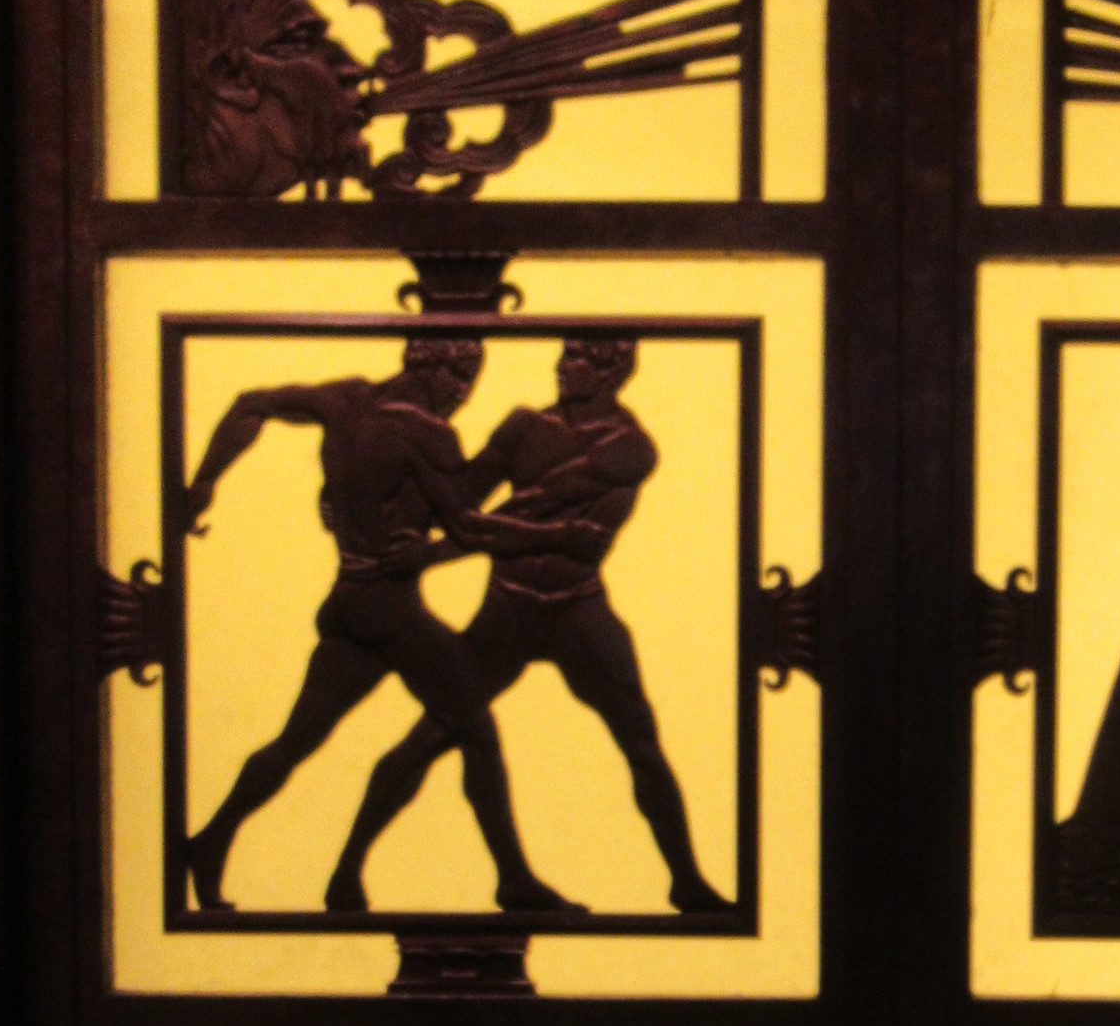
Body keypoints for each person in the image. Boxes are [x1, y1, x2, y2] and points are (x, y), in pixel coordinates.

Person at [325, 337, 728, 916]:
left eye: (580, 359)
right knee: (433, 734)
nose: (564, 367)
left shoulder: (629, 448)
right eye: (564, 356)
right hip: (508, 611)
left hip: (577, 610)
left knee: (640, 739)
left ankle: (686, 882)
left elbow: (542, 514)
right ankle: (345, 872)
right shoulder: (523, 427)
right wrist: (366, 485)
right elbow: (460, 499)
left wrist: (437, 552)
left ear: (613, 372)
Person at [179, 333, 577, 915]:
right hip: (391, 613)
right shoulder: (428, 432)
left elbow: (250, 404)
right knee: (476, 729)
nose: (463, 396)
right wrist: (548, 530)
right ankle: (511, 880)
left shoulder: (345, 400)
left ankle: (213, 842)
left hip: (349, 602)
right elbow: (467, 526)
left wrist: (203, 483)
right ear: (436, 368)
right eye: (464, 380)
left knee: (296, 742)